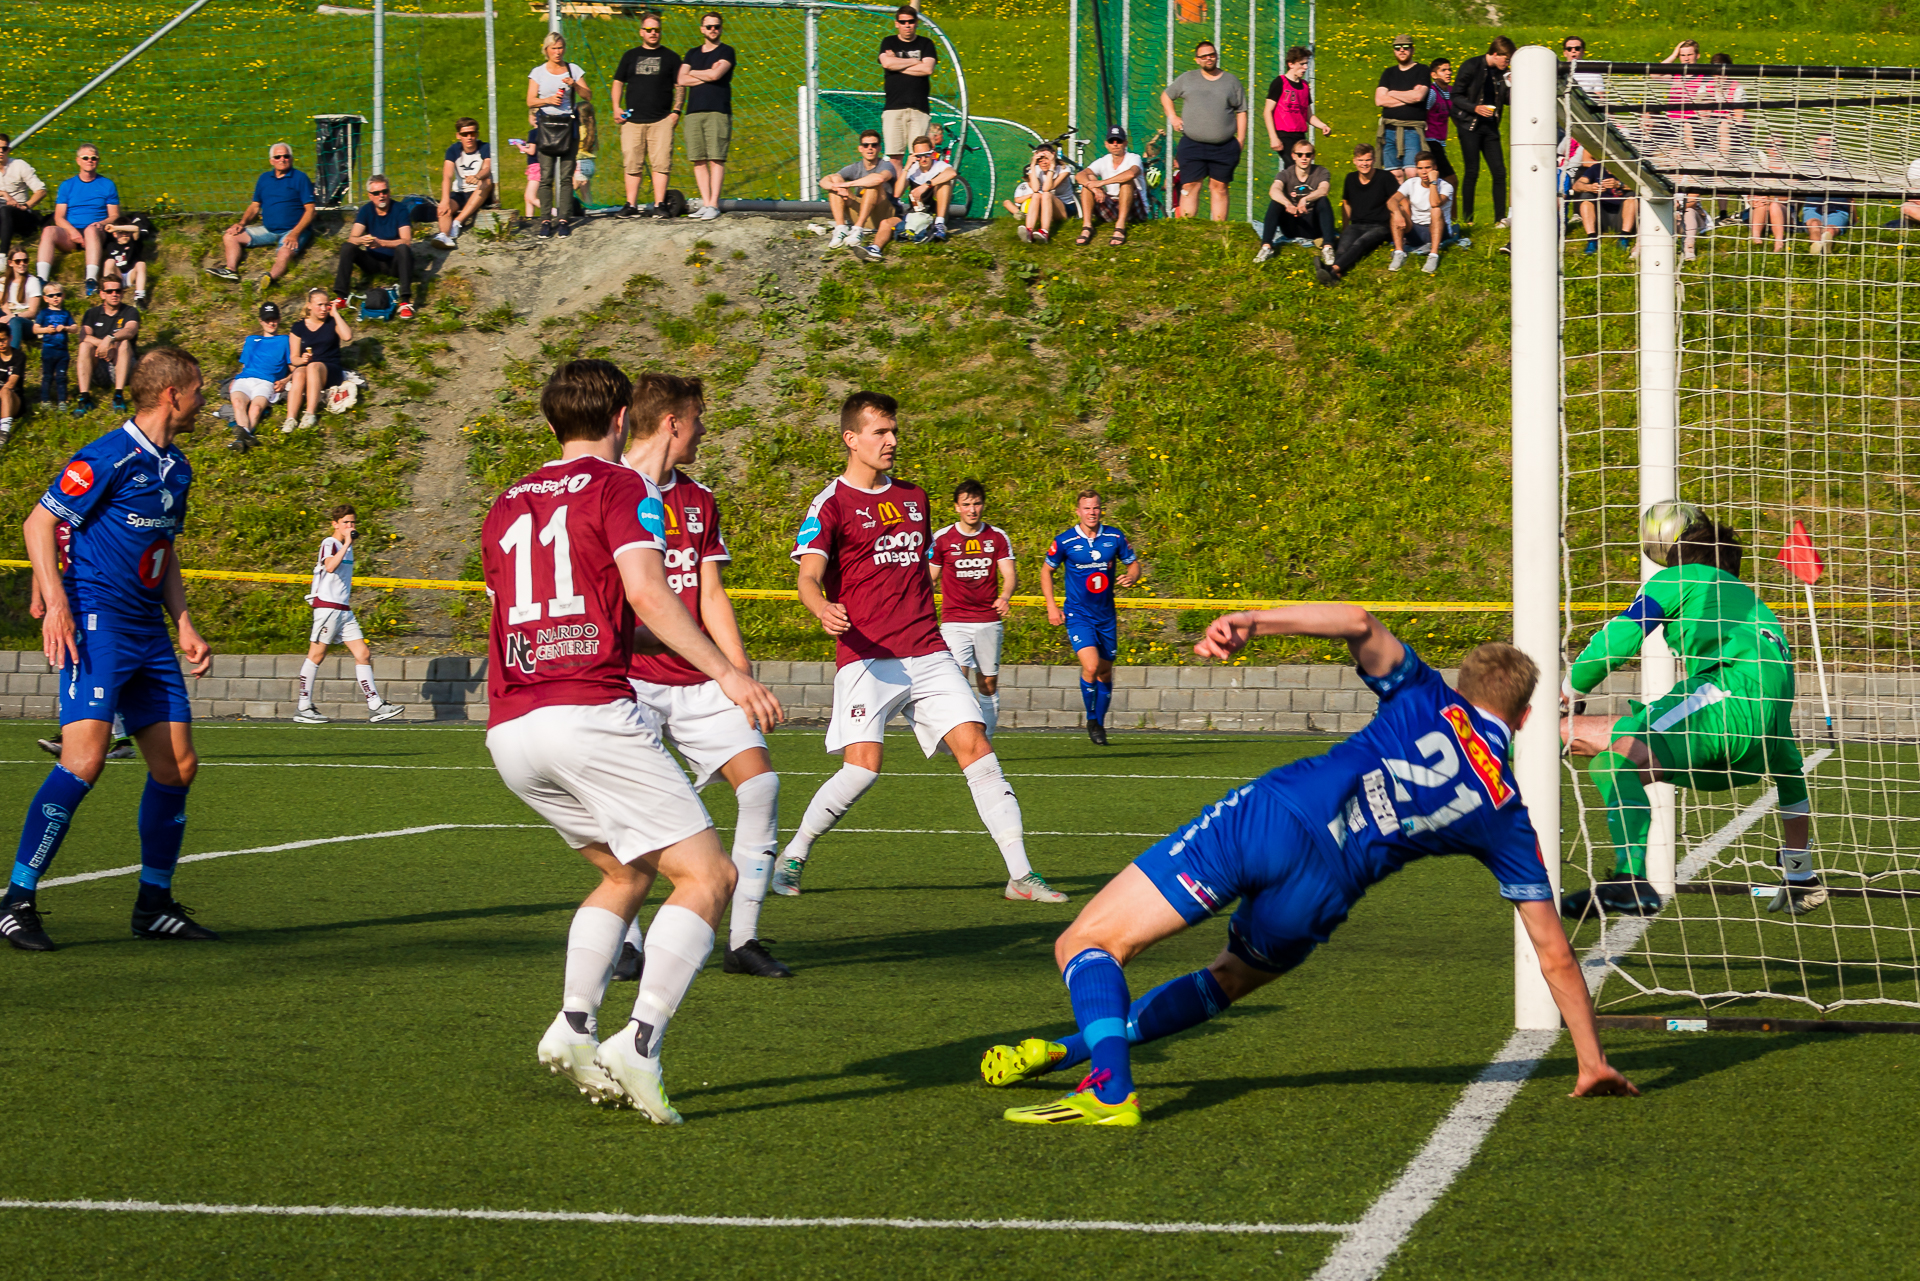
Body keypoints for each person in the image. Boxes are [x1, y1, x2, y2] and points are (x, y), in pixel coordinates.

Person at [980, 608, 1639, 1125]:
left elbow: (1355, 621)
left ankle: (1112, 1088)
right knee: (1226, 980)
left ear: (1464, 685)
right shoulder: (1505, 809)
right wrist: (1590, 1059)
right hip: (1324, 891)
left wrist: (1252, 623)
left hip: (1275, 817)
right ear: (1524, 719)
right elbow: (1552, 951)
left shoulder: (1423, 693)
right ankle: (1074, 1051)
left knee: (1087, 941)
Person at [480, 359, 782, 1124]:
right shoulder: (625, 489)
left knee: (624, 873)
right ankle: (639, 1041)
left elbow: (525, 612)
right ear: (621, 418)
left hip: (513, 725)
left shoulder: (506, 501)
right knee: (708, 876)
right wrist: (727, 673)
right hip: (588, 714)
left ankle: (574, 1021)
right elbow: (649, 591)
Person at [771, 390, 1066, 905]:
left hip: (928, 649)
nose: (891, 441)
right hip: (866, 656)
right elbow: (809, 577)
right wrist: (821, 608)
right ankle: (794, 852)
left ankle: (1020, 874)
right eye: (880, 432)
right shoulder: (830, 504)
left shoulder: (914, 497)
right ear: (851, 439)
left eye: (894, 431)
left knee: (976, 745)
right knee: (862, 768)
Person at [0, 348, 216, 953]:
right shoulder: (107, 456)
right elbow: (38, 524)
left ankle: (153, 905)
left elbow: (164, 551)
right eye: (199, 389)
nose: (206, 399)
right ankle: (16, 901)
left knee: (177, 765)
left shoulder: (178, 468)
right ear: (172, 394)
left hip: (149, 631)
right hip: (97, 627)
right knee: (84, 762)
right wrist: (57, 602)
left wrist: (185, 621)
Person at [613, 371, 791, 981]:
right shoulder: (606, 490)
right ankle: (627, 941)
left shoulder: (699, 499)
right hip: (628, 677)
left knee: (761, 786)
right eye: (698, 417)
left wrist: (739, 675)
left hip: (700, 677)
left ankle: (742, 940)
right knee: (629, 807)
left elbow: (710, 592)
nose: (704, 428)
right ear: (672, 423)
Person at [1559, 514, 1816, 918]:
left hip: (1722, 700)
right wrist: (1800, 871)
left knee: (1617, 763)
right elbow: (1792, 781)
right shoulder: (1760, 617)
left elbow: (1620, 637)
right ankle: (1492, 743)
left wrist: (1570, 689)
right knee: (1585, 735)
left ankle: (1628, 880)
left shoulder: (1686, 575)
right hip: (1755, 750)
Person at [1041, 491, 1140, 745]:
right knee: (1092, 666)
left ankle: (1099, 721)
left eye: (1096, 508)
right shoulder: (1065, 541)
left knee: (1106, 673)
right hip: (1078, 615)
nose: (1092, 513)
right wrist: (1052, 606)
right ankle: (1091, 719)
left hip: (1106, 615)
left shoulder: (1114, 537)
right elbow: (1046, 572)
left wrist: (1132, 576)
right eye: (1087, 508)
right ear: (1078, 511)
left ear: (1101, 510)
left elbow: (1133, 563)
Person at [292, 505, 406, 724]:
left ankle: (375, 704)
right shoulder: (330, 543)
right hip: (328, 608)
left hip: (343, 609)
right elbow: (330, 566)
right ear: (335, 524)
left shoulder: (347, 546)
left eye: (353, 523)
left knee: (363, 653)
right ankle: (303, 706)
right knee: (316, 655)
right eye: (346, 523)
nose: (350, 527)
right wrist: (346, 544)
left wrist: (347, 544)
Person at [927, 478, 1016, 736]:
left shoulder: (997, 537)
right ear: (956, 507)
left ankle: (985, 739)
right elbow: (930, 578)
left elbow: (1009, 575)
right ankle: (964, 739)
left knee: (987, 684)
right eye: (966, 504)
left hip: (988, 621)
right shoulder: (943, 538)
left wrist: (1005, 596)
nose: (972, 509)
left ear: (983, 505)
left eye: (976, 503)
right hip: (955, 621)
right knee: (957, 682)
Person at [210, 144, 317, 290]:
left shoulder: (300, 178)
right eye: (278, 157)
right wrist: (241, 223)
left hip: (293, 230)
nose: (282, 159)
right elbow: (255, 206)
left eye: (286, 156)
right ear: (271, 160)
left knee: (285, 251)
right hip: (269, 229)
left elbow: (310, 210)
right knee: (230, 236)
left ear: (291, 159)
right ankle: (231, 270)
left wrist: (295, 234)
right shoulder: (264, 179)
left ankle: (269, 279)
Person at [1160, 42, 1247, 222]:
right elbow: (1166, 96)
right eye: (1204, 56)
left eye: (1212, 54)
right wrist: (1173, 117)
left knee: (1219, 187)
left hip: (1224, 146)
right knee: (1190, 185)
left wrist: (1241, 140)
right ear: (1197, 60)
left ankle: (1219, 231)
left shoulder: (1231, 81)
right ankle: (1187, 230)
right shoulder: (1187, 79)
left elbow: (1241, 111)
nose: (1209, 58)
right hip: (1192, 144)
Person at [611, 16, 680, 218]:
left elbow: (680, 86)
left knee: (661, 162)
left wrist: (676, 111)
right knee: (632, 162)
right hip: (632, 120)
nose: (653, 33)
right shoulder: (630, 56)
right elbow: (618, 82)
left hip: (661, 120)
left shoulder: (671, 57)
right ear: (641, 31)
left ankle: (660, 205)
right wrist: (616, 107)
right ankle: (631, 205)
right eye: (648, 29)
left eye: (656, 30)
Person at [1314, 144, 1401, 286]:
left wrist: (1398, 216)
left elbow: (1399, 199)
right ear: (1354, 161)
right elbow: (1346, 203)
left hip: (1380, 226)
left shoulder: (1385, 177)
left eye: (1368, 160)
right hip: (1357, 224)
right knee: (1342, 247)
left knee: (1360, 243)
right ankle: (1335, 275)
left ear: (1374, 160)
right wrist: (1346, 228)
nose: (1364, 164)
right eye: (1360, 160)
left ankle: (1332, 268)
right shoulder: (1350, 178)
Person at [36, 145, 119, 293]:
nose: (90, 160)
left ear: (98, 161)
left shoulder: (107, 185)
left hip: (95, 231)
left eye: (93, 158)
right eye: (85, 158)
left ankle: (91, 280)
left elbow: (114, 215)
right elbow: (59, 217)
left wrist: (102, 223)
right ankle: (41, 279)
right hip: (71, 232)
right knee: (48, 230)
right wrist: (73, 232)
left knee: (91, 230)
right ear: (78, 161)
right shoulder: (67, 185)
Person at [530, 32, 589, 236]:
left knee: (566, 177)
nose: (558, 52)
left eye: (561, 47)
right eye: (554, 48)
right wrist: (548, 100)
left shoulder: (573, 70)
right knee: (545, 176)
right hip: (547, 127)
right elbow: (530, 100)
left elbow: (588, 95)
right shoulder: (538, 72)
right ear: (546, 50)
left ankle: (564, 218)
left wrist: (574, 85)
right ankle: (545, 219)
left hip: (568, 127)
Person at [678, 12, 735, 221]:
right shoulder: (692, 53)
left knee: (716, 157)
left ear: (721, 28)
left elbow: (715, 75)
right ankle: (705, 202)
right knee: (698, 159)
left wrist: (694, 73)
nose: (713, 30)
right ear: (702, 29)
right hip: (693, 111)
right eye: (709, 26)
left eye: (717, 26)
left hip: (717, 110)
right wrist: (705, 73)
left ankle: (714, 203)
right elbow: (681, 79)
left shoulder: (727, 51)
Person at [333, 175, 416, 318]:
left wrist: (382, 243)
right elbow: (352, 238)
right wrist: (362, 240)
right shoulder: (365, 210)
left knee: (403, 248)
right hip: (372, 261)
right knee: (347, 247)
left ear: (389, 192)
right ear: (370, 196)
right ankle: (341, 297)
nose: (381, 196)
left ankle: (405, 302)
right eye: (377, 193)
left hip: (394, 263)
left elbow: (406, 240)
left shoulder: (400, 209)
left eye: (385, 191)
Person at [1451, 37, 1513, 228]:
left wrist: (1513, 84)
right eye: (1506, 58)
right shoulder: (1471, 66)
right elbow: (1455, 96)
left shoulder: (1503, 74)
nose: (1507, 62)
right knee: (1472, 171)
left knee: (1499, 172)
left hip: (1490, 127)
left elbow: (1508, 100)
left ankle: (1500, 219)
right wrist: (1475, 108)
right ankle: (1468, 219)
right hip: (1469, 125)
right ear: (1495, 54)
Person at [820, 130, 901, 261]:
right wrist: (836, 187)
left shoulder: (886, 165)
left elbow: (879, 179)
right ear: (860, 148)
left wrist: (848, 185)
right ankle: (840, 229)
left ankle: (858, 230)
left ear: (879, 148)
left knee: (872, 185)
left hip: (883, 214)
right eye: (866, 145)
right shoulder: (855, 167)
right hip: (862, 210)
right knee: (835, 179)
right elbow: (824, 181)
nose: (870, 148)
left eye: (874, 145)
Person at [1254, 138, 1333, 265]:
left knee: (1323, 201)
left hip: (1312, 224)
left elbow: (1324, 189)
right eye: (1300, 154)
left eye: (1307, 155)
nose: (1304, 158)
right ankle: (1266, 247)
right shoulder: (1285, 174)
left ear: (1312, 156)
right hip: (1291, 224)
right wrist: (1288, 204)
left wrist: (1305, 199)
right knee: (1276, 202)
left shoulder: (1321, 172)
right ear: (1293, 156)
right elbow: (1274, 190)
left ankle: (1328, 247)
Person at [226, 301, 293, 450]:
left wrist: (285, 380)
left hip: (266, 381)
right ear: (261, 321)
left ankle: (240, 439)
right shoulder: (251, 340)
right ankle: (246, 437)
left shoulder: (285, 340)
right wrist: (235, 378)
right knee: (238, 402)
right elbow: (244, 366)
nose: (271, 323)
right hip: (244, 379)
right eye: (267, 320)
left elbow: (293, 367)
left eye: (274, 319)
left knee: (256, 408)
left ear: (279, 319)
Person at [877, 6, 939, 169]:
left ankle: (916, 194)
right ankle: (896, 195)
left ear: (916, 23)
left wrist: (897, 63)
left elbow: (927, 69)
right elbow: (887, 63)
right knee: (895, 158)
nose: (907, 25)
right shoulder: (889, 42)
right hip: (893, 108)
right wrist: (915, 62)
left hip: (918, 108)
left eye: (911, 22)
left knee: (919, 156)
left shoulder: (926, 43)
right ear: (897, 23)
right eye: (903, 22)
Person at [288, 287, 351, 431]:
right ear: (309, 305)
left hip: (330, 369)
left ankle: (310, 413)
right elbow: (294, 359)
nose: (324, 308)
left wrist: (335, 313)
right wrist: (302, 359)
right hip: (307, 368)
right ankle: (290, 419)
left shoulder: (332, 322)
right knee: (298, 373)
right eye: (319, 305)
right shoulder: (298, 327)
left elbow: (347, 337)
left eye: (326, 305)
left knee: (313, 366)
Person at [1072, 126, 1145, 249]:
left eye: (1119, 141)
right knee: (1087, 183)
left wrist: (1101, 183)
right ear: (1106, 144)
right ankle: (1087, 227)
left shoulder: (1134, 158)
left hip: (1134, 206)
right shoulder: (1103, 160)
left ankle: (1120, 227)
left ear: (1125, 143)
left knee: (1127, 182)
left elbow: (1132, 173)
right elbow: (1080, 175)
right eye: (1112, 141)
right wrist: (1094, 188)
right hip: (1111, 204)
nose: (1115, 144)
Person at [75, 278, 139, 415]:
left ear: (122, 293)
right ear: (102, 294)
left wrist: (110, 339)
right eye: (109, 291)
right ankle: (84, 398)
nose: (114, 294)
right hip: (99, 367)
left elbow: (130, 331)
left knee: (124, 343)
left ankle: (118, 396)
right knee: (84, 346)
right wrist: (103, 344)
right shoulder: (92, 313)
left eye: (118, 291)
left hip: (123, 366)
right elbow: (83, 336)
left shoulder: (130, 311)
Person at [1374, 35, 1431, 181]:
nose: (1401, 50)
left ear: (1412, 50)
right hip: (1389, 131)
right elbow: (1379, 100)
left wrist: (1392, 93)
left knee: (1413, 173)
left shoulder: (1422, 70)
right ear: (1394, 51)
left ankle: (1414, 204)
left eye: (1405, 47)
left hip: (1412, 130)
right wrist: (1409, 97)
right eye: (1397, 48)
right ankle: (1400, 204)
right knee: (1394, 175)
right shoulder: (1389, 73)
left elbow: (1418, 96)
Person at [432, 119, 494, 248]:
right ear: (458, 136)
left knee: (487, 181)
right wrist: (444, 200)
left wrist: (477, 176)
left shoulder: (485, 147)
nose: (469, 137)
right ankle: (444, 235)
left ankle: (457, 222)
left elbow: (487, 168)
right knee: (444, 206)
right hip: (460, 192)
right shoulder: (453, 150)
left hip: (478, 191)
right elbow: (447, 176)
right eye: (465, 134)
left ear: (477, 134)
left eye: (472, 133)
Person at [1264, 46, 1331, 163]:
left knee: (1299, 170)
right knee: (1296, 166)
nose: (1305, 67)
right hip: (1284, 134)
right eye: (1302, 64)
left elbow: (1308, 115)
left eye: (1306, 64)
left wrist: (1323, 126)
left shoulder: (1305, 86)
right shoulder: (1280, 82)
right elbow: (1267, 111)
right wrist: (1273, 138)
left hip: (1299, 135)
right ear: (1291, 64)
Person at [1389, 151, 1453, 274]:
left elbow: (1435, 203)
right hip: (1416, 230)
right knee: (1396, 210)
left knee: (1435, 210)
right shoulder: (1411, 183)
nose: (1424, 172)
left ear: (1434, 168)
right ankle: (1399, 253)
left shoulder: (1446, 186)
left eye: (1428, 168)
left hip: (1439, 230)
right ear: (1416, 169)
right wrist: (1397, 213)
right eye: (1420, 168)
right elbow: (1392, 201)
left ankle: (1433, 255)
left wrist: (1433, 182)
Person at [898, 135, 957, 243]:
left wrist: (926, 185)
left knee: (945, 183)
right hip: (917, 212)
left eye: (927, 154)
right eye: (919, 156)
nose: (924, 159)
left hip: (936, 211)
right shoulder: (912, 169)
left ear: (932, 153)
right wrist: (906, 167)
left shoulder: (938, 165)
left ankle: (939, 224)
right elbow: (897, 193)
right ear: (914, 156)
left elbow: (952, 173)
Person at [1571, 159, 1637, 255]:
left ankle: (1624, 238)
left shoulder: (1629, 168)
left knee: (1632, 197)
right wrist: (1589, 187)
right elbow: (1576, 186)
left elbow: (1641, 186)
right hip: (1600, 217)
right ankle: (1592, 239)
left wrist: (1619, 185)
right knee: (1586, 196)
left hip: (1623, 216)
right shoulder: (1596, 168)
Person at [0, 134, 47, 259]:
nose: (0, 152)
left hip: (19, 213)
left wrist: (26, 206)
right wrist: (4, 194)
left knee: (5, 210)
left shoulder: (19, 165)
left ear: (8, 150)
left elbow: (41, 191)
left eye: (3, 149)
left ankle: (3, 256)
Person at [32, 281, 76, 411]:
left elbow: (75, 328)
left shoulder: (66, 313)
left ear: (63, 296)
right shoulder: (44, 313)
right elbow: (35, 329)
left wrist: (66, 328)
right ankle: (45, 400)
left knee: (61, 376)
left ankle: (62, 401)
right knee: (47, 376)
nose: (55, 297)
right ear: (45, 298)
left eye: (58, 294)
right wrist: (46, 330)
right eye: (51, 295)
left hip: (62, 350)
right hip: (48, 349)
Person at [1017, 143, 1074, 244]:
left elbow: (1048, 188)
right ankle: (1029, 230)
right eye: (1040, 160)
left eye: (1046, 158)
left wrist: (1052, 166)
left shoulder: (1064, 169)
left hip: (1064, 207)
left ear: (1053, 156)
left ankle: (1045, 232)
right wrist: (1033, 166)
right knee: (1036, 195)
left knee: (1046, 194)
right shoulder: (1036, 169)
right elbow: (1035, 189)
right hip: (1045, 207)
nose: (1043, 163)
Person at [101, 214, 155, 308]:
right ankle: (107, 293)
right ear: (114, 234)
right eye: (121, 232)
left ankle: (139, 298)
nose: (124, 234)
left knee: (141, 264)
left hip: (131, 275)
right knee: (109, 262)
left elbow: (135, 229)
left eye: (127, 232)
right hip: (117, 276)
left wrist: (116, 227)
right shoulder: (110, 244)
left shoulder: (134, 242)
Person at [1423, 58, 1458, 185]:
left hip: (1440, 141)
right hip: (1430, 141)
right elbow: (1422, 116)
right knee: (1451, 181)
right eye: (1443, 70)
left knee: (1441, 182)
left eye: (1449, 70)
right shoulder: (1432, 93)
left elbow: (1454, 114)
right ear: (1434, 75)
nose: (1448, 73)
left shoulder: (1451, 91)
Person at [3, 247, 40, 351]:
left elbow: (32, 312)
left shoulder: (33, 281)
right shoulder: (4, 281)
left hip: (26, 322)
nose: (22, 263)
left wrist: (12, 317)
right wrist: (7, 317)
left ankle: (13, 356)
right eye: (18, 261)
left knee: (15, 321)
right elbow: (4, 305)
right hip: (9, 316)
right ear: (10, 263)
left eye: (25, 260)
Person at [0, 325, 20, 441]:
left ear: (10, 338)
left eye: (3, 340)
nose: (1, 344)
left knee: (6, 390)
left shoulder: (19, 357)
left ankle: (4, 432)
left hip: (13, 400)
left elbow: (12, 383)